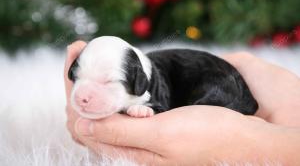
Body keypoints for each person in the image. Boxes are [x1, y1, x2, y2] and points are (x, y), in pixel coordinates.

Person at [64, 41, 300, 165]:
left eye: (108, 81)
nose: (83, 94)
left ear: (139, 82)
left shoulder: (148, 85)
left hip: (215, 85)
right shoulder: (142, 70)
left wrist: (257, 141)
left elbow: (162, 101)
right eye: (80, 76)